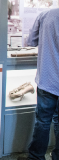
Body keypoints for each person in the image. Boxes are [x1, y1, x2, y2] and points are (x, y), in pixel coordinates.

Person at [20, 8, 59, 160]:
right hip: (48, 81)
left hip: (47, 79)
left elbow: (31, 42)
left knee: (43, 121)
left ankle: (36, 157)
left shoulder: (45, 15)